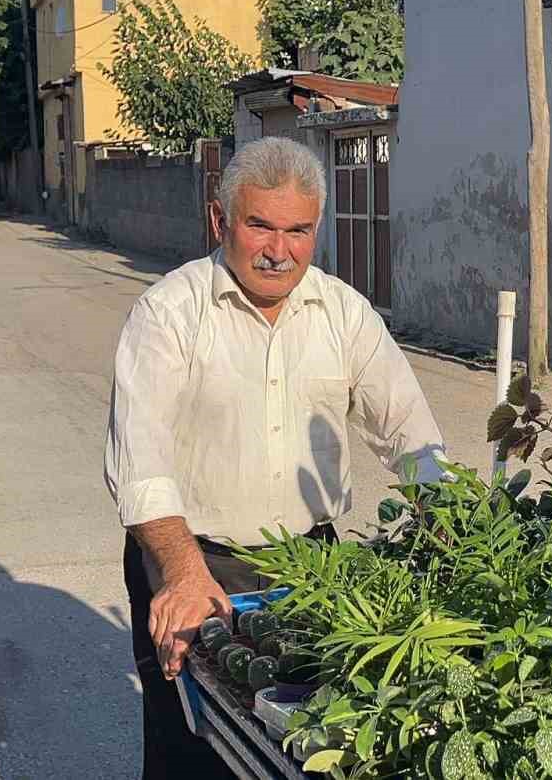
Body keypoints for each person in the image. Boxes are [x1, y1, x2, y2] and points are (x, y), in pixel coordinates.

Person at [104, 136, 446, 780]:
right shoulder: (169, 313)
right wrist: (181, 574)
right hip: (195, 562)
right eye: (260, 225)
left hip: (312, 563)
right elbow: (139, 461)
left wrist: (450, 522)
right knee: (194, 749)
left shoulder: (344, 313)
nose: (278, 250)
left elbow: (410, 433)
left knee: (309, 745)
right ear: (220, 221)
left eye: (298, 231)